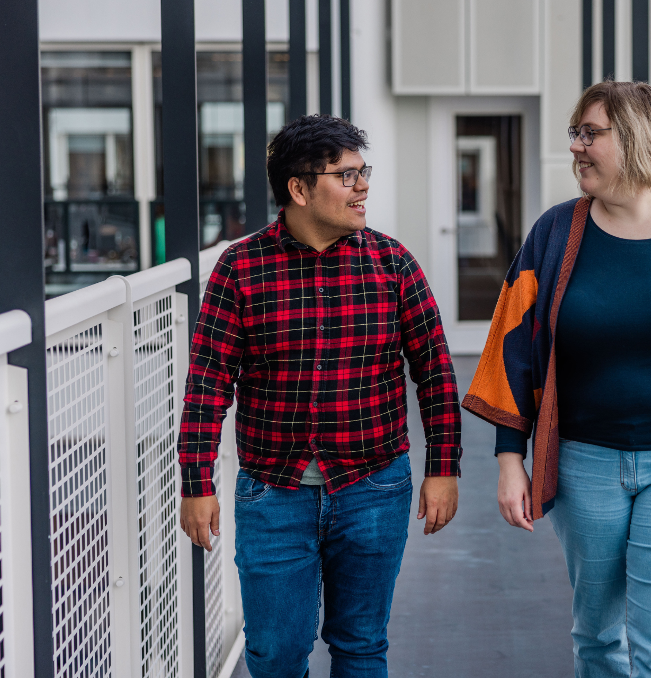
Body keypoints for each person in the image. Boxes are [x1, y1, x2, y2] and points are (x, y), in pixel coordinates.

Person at [462, 81, 651, 677]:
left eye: (590, 134)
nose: (576, 148)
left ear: (635, 138)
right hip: (585, 464)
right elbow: (514, 345)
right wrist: (510, 459)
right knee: (599, 639)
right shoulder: (556, 233)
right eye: (574, 134)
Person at [177, 114, 462, 678]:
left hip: (374, 485)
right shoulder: (241, 267)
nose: (363, 187)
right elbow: (208, 381)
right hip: (272, 493)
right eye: (346, 174)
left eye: (363, 172)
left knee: (360, 645)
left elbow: (434, 372)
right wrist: (196, 483)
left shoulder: (393, 264)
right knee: (275, 654)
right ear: (299, 189)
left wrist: (443, 469)